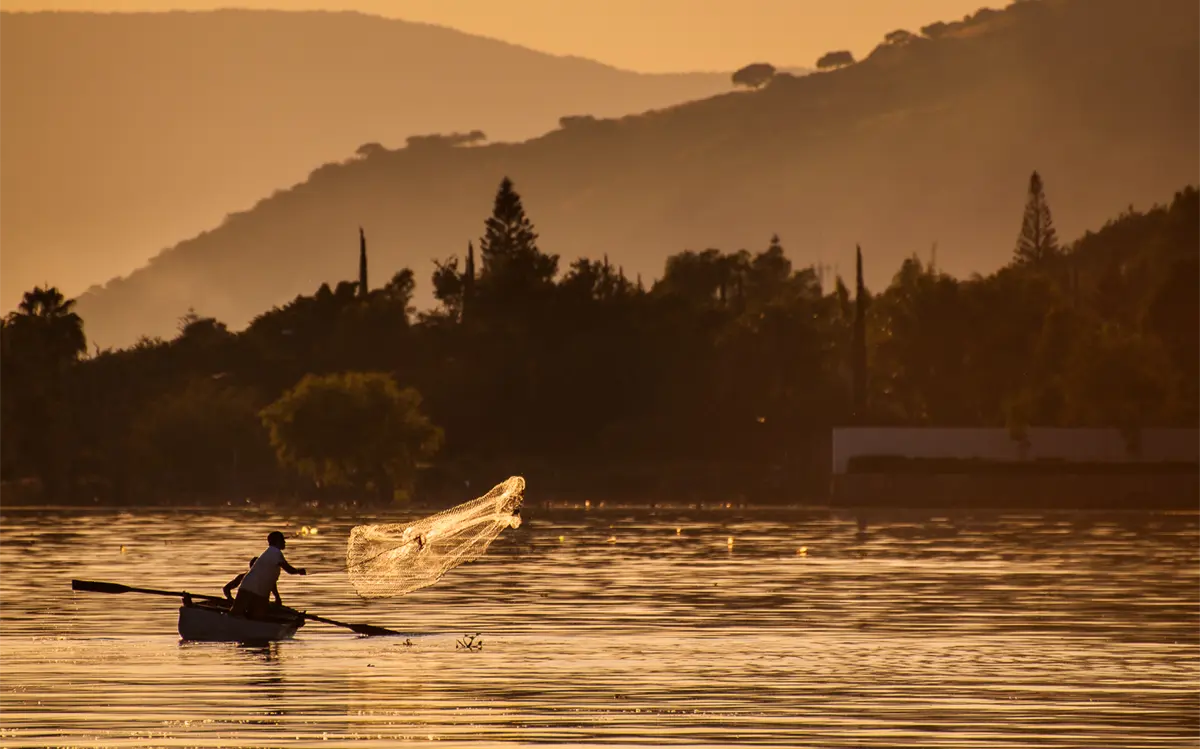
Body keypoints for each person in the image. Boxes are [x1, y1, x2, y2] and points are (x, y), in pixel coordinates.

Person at [230, 531, 306, 620]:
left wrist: (277, 596)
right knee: (248, 615)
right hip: (255, 588)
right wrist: (299, 571)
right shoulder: (275, 552)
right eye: (282, 540)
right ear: (277, 541)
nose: (285, 542)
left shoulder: (270, 553)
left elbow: (270, 580)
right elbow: (289, 570)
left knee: (245, 615)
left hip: (253, 588)